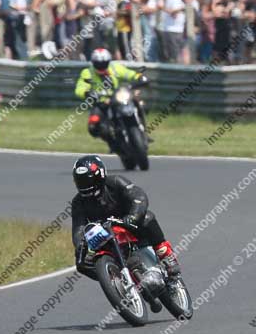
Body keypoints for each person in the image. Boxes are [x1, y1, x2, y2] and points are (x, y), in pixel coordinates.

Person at [71, 154, 181, 288]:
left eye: (87, 180)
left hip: (130, 224)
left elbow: (139, 196)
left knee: (147, 217)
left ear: (100, 175)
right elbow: (78, 227)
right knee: (81, 264)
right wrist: (80, 245)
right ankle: (114, 281)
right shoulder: (78, 202)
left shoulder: (116, 181)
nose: (85, 185)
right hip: (107, 237)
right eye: (80, 181)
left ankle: (167, 257)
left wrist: (133, 216)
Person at [74, 48, 148, 149]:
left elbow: (130, 74)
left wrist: (139, 77)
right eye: (98, 64)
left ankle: (143, 131)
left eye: (104, 63)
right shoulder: (87, 73)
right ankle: (111, 142)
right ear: (93, 63)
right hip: (100, 102)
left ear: (108, 62)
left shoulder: (115, 68)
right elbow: (80, 88)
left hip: (117, 98)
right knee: (93, 125)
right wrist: (87, 93)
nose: (101, 66)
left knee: (137, 102)